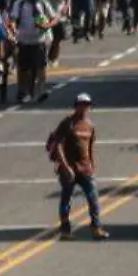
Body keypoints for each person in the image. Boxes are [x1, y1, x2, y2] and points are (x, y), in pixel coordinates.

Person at [49, 93, 108, 240]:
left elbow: (90, 146)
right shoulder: (67, 123)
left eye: (87, 104)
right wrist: (65, 166)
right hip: (69, 169)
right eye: (82, 104)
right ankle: (65, 229)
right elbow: (58, 146)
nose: (85, 107)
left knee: (93, 198)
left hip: (85, 169)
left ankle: (96, 227)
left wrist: (92, 164)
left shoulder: (90, 126)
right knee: (66, 199)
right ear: (76, 106)